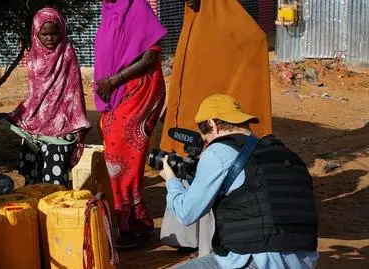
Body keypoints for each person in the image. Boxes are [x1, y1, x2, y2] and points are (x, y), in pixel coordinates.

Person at [159, 0, 273, 256]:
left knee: (211, 171)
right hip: (194, 111)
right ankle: (185, 237)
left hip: (218, 118)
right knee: (185, 163)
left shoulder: (233, 20)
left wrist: (228, 105)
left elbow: (255, 43)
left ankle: (207, 243)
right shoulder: (194, 18)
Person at [159, 94, 319, 269]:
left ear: (212, 124)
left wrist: (171, 180)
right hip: (304, 261)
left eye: (205, 139)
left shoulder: (217, 151)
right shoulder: (287, 155)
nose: (207, 145)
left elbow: (186, 213)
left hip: (257, 262)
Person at [93, 0, 167, 250]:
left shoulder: (137, 7)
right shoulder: (108, 10)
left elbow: (151, 55)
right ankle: (134, 223)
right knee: (117, 159)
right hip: (115, 94)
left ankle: (132, 226)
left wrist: (114, 80)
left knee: (124, 160)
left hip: (139, 91)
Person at [0, 8, 91, 188]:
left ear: (62, 32)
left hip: (60, 126)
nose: (49, 38)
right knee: (33, 182)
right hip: (35, 126)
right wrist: (15, 115)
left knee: (55, 182)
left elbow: (74, 90)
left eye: (54, 33)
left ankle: (55, 213)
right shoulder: (33, 56)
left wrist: (78, 123)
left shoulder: (67, 53)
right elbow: (35, 95)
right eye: (44, 34)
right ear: (36, 32)